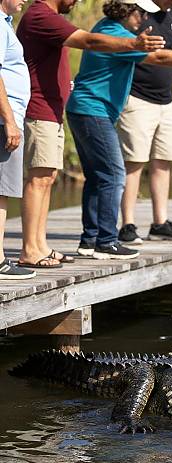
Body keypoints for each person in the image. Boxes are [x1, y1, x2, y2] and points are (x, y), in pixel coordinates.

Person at [65, 0, 172, 260]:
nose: (144, 18)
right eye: (140, 12)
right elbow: (160, 58)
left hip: (85, 110)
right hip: (92, 110)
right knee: (114, 173)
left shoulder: (107, 27)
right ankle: (106, 241)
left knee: (98, 177)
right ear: (126, 10)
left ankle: (90, 240)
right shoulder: (118, 35)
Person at [16, 0, 165, 269]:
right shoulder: (40, 15)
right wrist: (133, 44)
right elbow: (88, 41)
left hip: (52, 109)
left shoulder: (49, 16)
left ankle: (40, 245)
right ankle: (30, 250)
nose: (77, 1)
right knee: (39, 179)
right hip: (40, 106)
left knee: (47, 177)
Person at [117, 0, 172, 244]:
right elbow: (134, 53)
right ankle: (127, 225)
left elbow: (170, 53)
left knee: (164, 160)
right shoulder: (137, 12)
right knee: (134, 162)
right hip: (137, 97)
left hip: (167, 100)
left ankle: (160, 223)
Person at [0, 0, 35, 279]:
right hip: (3, 119)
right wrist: (10, 120)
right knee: (1, 190)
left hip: (8, 116)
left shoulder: (6, 24)